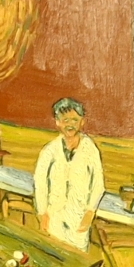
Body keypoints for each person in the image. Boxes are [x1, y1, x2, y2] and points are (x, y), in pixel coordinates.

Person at [34, 97, 104, 252]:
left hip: (78, 218)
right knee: (53, 255)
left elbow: (98, 184)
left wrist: (90, 212)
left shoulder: (90, 149)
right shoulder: (49, 150)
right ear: (57, 122)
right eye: (65, 120)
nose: (70, 125)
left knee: (78, 259)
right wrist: (42, 213)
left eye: (74, 120)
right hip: (54, 217)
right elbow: (40, 184)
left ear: (82, 122)